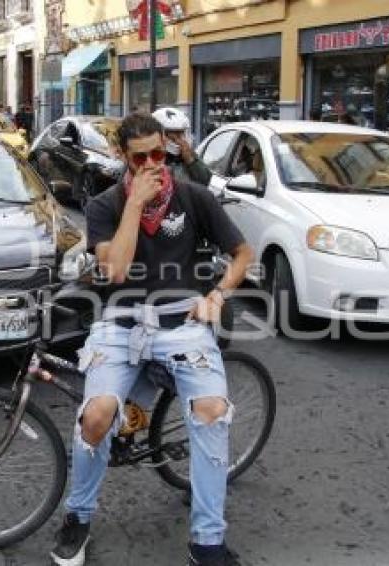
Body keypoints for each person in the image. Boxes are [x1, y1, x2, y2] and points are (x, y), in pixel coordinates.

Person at [50, 113, 253, 566]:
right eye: (139, 157)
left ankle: (207, 542)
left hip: (182, 324)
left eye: (159, 154)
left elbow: (242, 254)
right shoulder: (105, 205)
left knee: (211, 412)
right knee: (97, 417)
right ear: (122, 156)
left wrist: (218, 294)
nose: (151, 165)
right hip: (120, 325)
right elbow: (115, 270)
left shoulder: (193, 198)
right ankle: (77, 519)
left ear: (168, 150)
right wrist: (134, 206)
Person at [152, 107, 212, 187]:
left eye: (182, 133)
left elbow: (205, 180)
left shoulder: (188, 154)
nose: (181, 138)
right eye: (176, 133)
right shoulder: (151, 157)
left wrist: (191, 160)